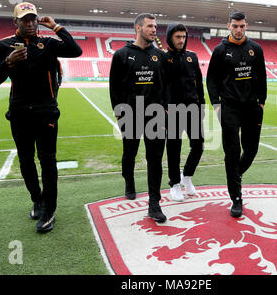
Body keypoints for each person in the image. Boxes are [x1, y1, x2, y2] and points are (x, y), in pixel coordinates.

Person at [0, 2, 82, 232]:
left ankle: (49, 210)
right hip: (19, 112)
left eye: (33, 19)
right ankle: (37, 199)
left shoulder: (49, 44)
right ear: (16, 22)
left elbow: (75, 50)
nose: (30, 23)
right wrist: (9, 61)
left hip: (46, 113)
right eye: (25, 20)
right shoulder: (4, 45)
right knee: (25, 161)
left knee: (48, 162)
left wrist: (55, 27)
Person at [207, 11, 267, 218]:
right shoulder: (220, 50)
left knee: (250, 151)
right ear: (229, 26)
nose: (238, 29)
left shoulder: (255, 49)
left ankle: (234, 176)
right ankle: (237, 199)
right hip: (229, 108)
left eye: (241, 26)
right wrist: (216, 105)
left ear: (246, 26)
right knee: (232, 153)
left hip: (252, 108)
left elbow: (262, 77)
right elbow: (212, 79)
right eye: (235, 26)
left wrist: (262, 103)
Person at [109, 13, 168, 222]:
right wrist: (119, 112)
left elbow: (165, 86)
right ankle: (129, 181)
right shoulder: (121, 55)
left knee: (155, 160)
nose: (154, 30)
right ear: (138, 28)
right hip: (130, 114)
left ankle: (154, 204)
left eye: (155, 26)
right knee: (129, 154)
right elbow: (114, 88)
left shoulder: (160, 55)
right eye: (150, 26)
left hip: (155, 116)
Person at [164, 23, 204, 201]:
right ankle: (174, 184)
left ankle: (186, 176)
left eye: (183, 37)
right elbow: (160, 86)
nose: (181, 40)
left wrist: (201, 105)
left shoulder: (192, 57)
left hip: (193, 108)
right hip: (172, 110)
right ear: (170, 38)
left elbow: (199, 83)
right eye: (177, 37)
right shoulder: (164, 59)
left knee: (198, 145)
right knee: (174, 148)